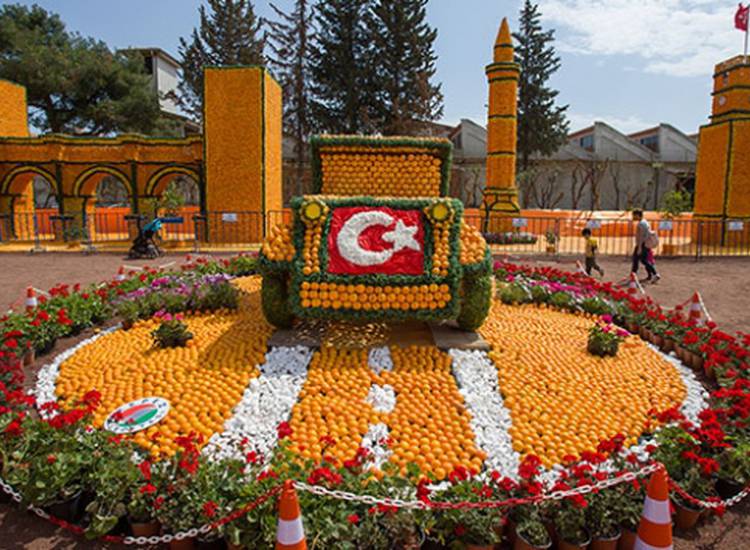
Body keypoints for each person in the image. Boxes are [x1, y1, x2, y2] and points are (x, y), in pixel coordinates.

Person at [631, 209, 660, 283]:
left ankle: (655, 274)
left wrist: (639, 247)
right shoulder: (645, 222)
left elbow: (641, 237)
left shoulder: (641, 224)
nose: (633, 217)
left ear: (638, 215)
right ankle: (650, 274)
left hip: (642, 244)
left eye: (634, 215)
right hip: (644, 244)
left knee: (638, 260)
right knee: (642, 260)